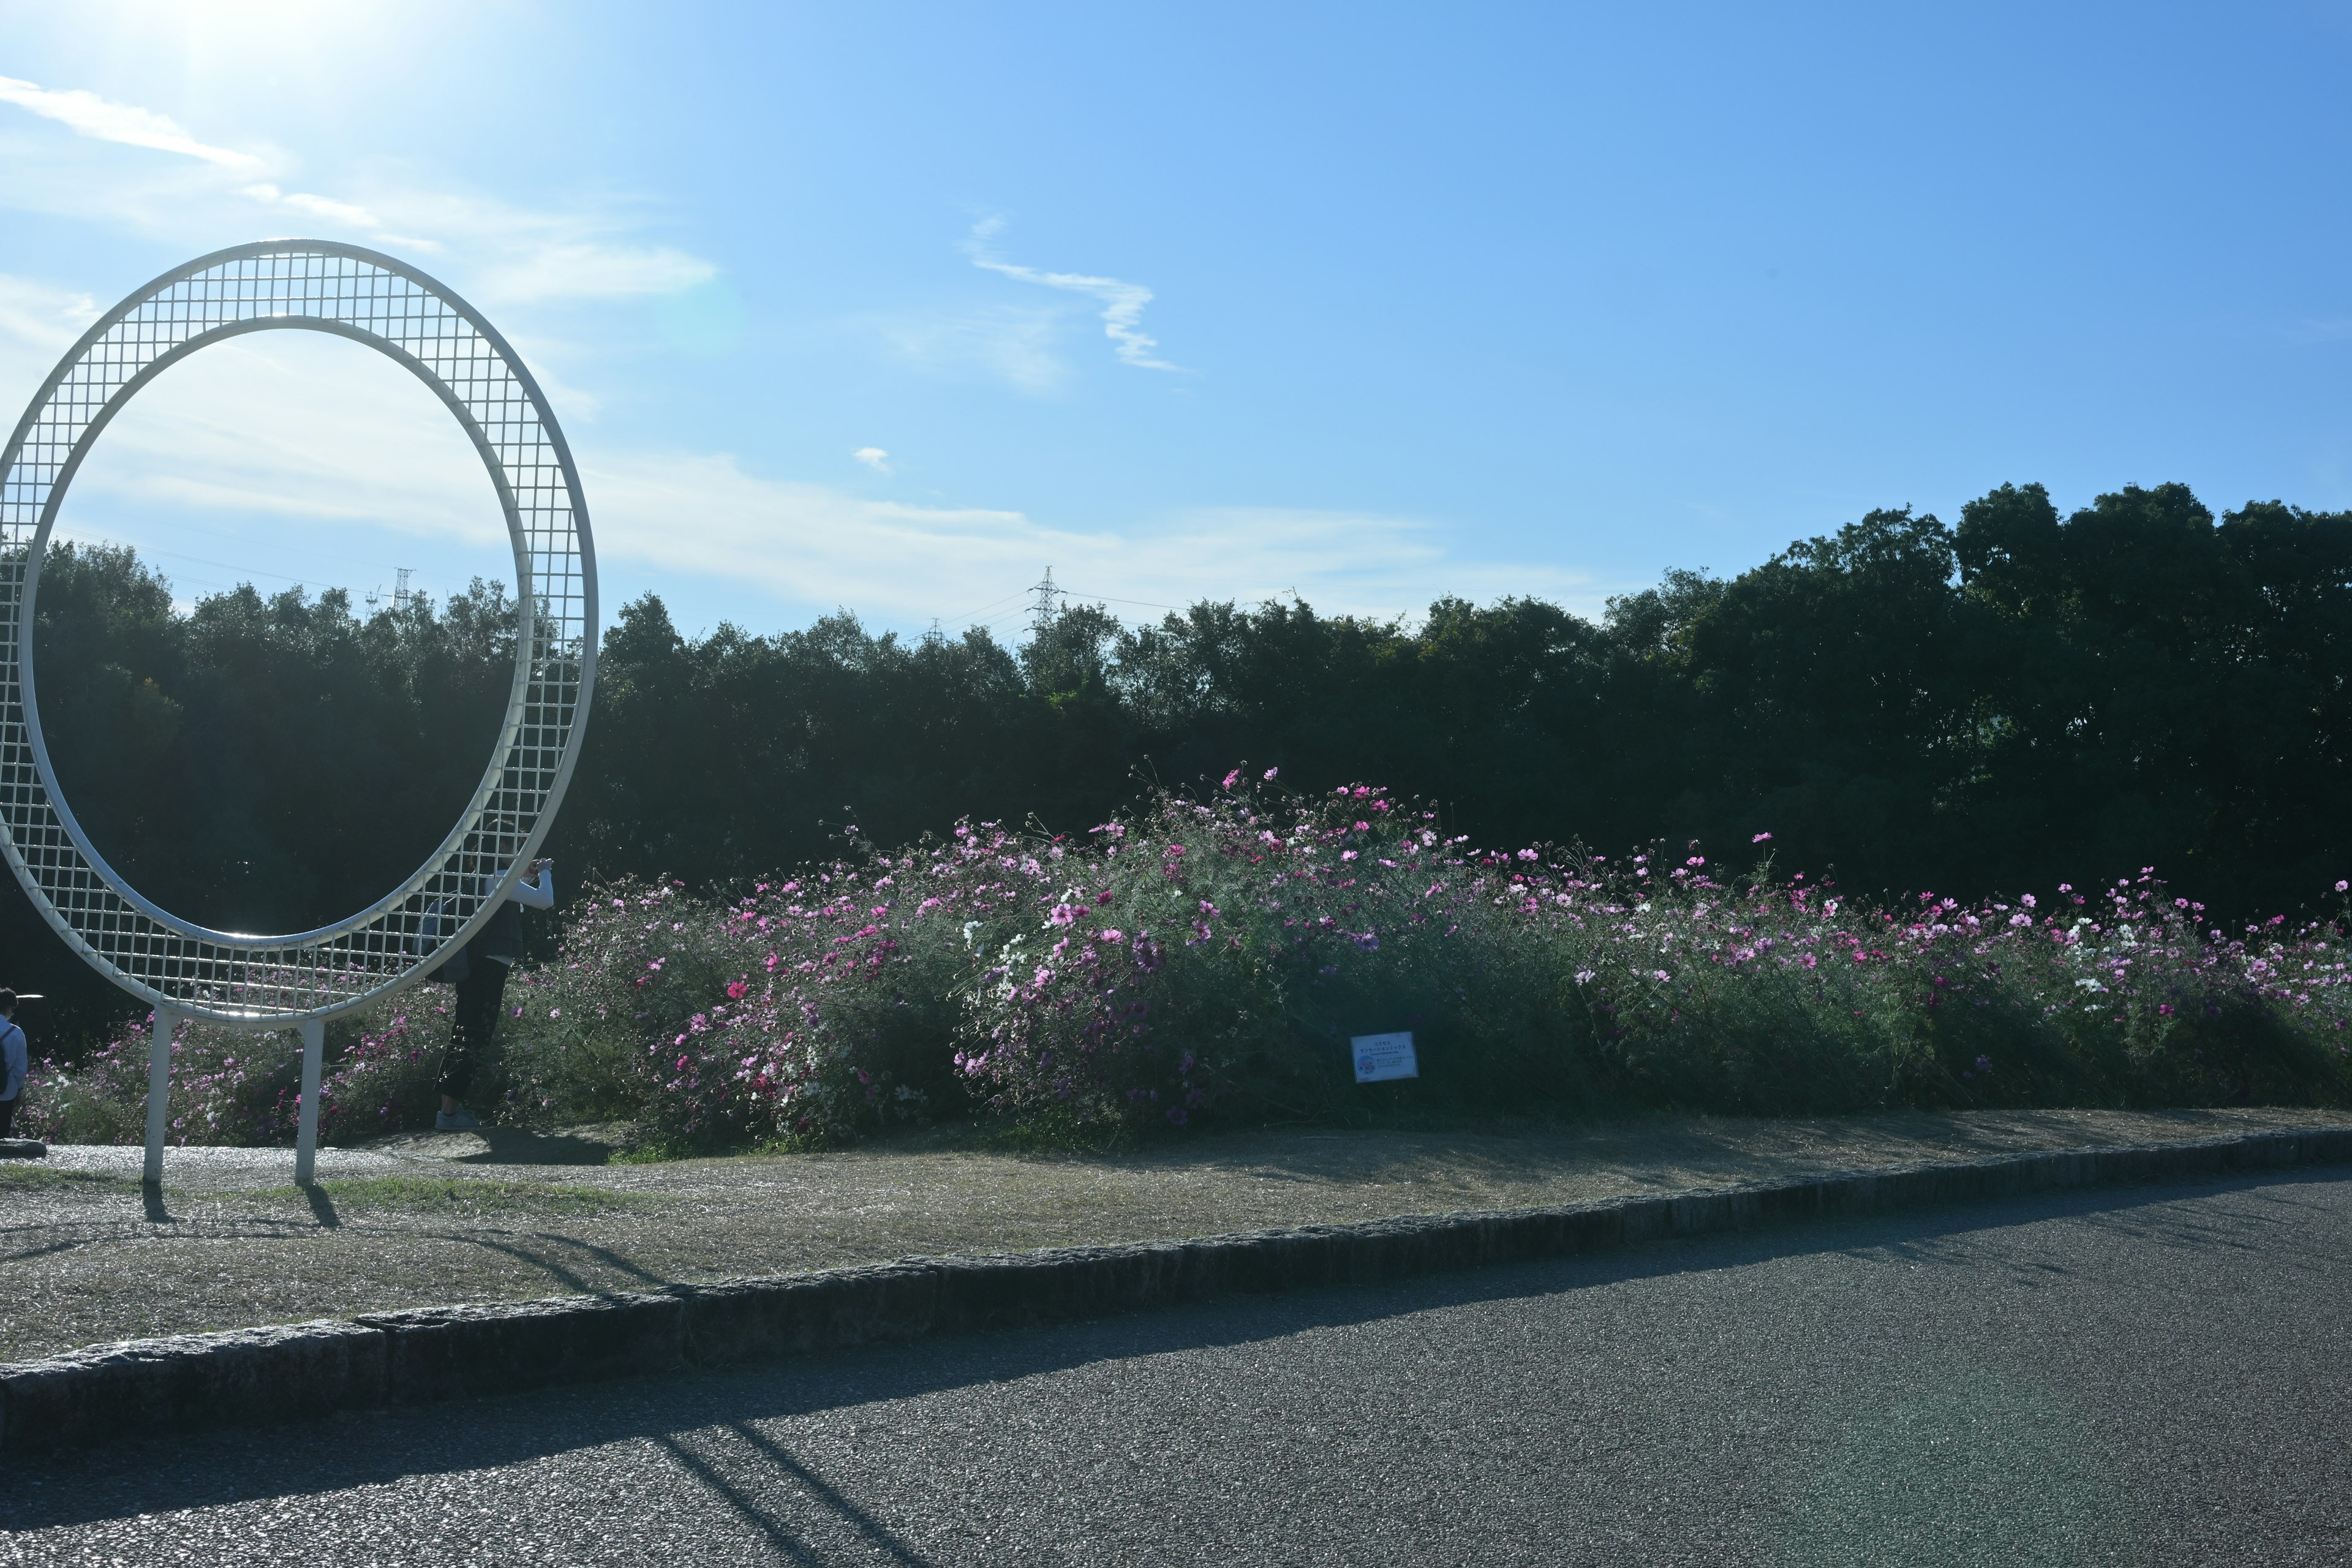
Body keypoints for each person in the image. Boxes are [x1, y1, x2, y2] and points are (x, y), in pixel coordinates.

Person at [436, 855, 554, 1132]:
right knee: (476, 1033)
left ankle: (447, 1112)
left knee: (464, 1031)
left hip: (477, 964)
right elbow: (545, 900)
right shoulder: (501, 878)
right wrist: (546, 872)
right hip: (487, 966)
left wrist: (528, 876)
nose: (520, 854)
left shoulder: (488, 878)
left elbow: (517, 893)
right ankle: (449, 1116)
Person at [0, 989, 25, 1139]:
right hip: (6, 1089)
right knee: (2, 1134)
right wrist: (19, 1089)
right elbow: (20, 1067)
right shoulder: (16, 1033)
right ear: (9, 1007)